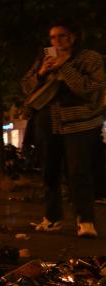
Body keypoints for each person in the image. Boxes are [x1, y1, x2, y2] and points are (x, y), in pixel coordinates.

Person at [22, 19, 105, 238]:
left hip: (80, 121)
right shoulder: (45, 56)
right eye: (53, 37)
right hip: (47, 119)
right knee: (49, 171)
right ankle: (52, 217)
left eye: (62, 36)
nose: (57, 41)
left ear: (74, 37)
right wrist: (40, 72)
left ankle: (85, 220)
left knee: (79, 171)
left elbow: (90, 89)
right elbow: (26, 86)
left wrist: (65, 67)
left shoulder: (90, 58)